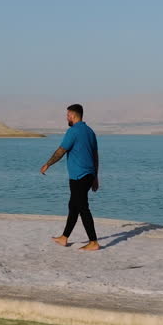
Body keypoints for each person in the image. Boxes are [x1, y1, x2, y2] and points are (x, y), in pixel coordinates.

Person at [40, 103, 100, 251]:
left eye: (67, 115)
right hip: (88, 175)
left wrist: (47, 164)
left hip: (79, 176)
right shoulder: (90, 132)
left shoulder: (73, 131)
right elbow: (95, 156)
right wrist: (96, 177)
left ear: (73, 115)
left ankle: (93, 242)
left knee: (82, 207)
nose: (66, 117)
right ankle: (64, 237)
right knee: (73, 206)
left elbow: (61, 151)